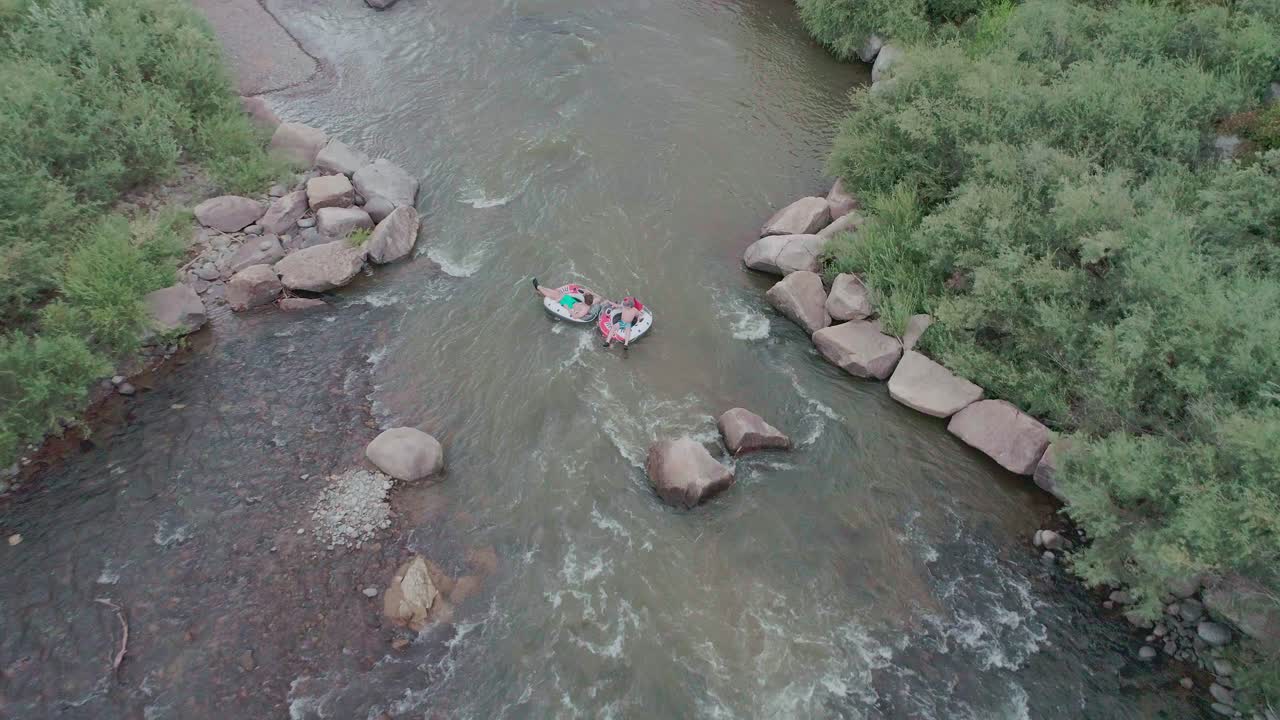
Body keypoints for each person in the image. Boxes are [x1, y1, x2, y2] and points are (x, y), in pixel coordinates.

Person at [532, 278, 596, 320]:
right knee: (557, 293)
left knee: (554, 296)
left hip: (569, 305)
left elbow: (575, 316)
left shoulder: (584, 310)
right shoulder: (589, 303)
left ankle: (539, 287)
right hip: (571, 301)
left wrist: (567, 308)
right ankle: (540, 288)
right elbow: (597, 298)